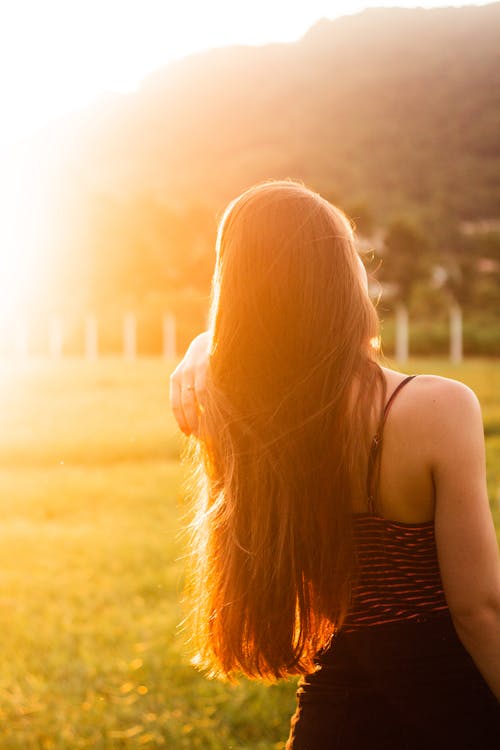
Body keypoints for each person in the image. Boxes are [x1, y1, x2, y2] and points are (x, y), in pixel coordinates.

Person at [169, 180, 500, 748]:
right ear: (342, 277)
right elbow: (479, 609)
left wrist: (205, 344)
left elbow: (250, 346)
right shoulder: (438, 407)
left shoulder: (233, 413)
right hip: (454, 702)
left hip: (334, 711)